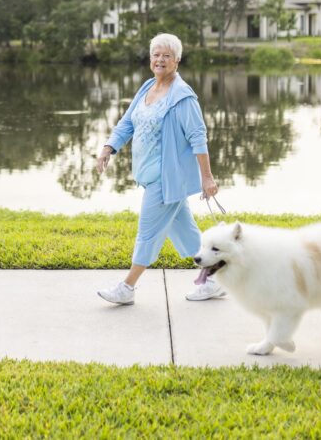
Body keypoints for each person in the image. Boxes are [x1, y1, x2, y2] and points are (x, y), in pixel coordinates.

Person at [95, 32, 225, 305]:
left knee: (147, 233)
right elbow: (128, 122)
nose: (160, 60)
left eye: (166, 55)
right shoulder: (147, 88)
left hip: (167, 181)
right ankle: (212, 280)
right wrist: (109, 148)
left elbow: (198, 137)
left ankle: (127, 288)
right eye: (156, 54)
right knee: (187, 234)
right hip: (150, 176)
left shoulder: (183, 97)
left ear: (177, 60)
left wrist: (207, 178)